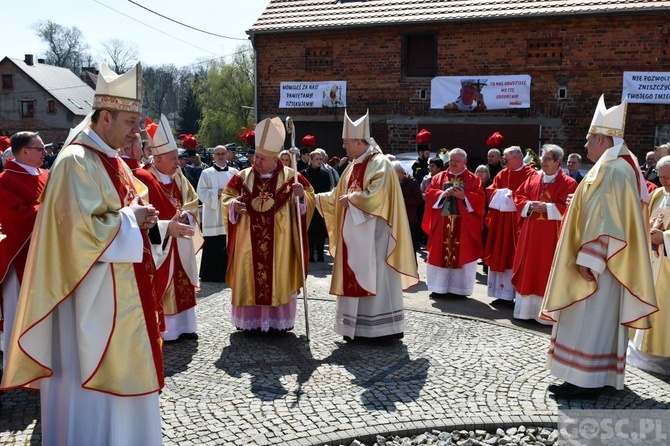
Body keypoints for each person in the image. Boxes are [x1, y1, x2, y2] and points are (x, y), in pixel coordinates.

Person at [0, 62, 183, 445]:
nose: (137, 131)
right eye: (131, 121)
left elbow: (125, 216)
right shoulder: (75, 161)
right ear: (104, 117)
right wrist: (132, 219)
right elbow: (77, 233)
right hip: (91, 300)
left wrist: (160, 226)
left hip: (121, 292)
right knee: (96, 385)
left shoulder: (112, 160)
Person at [541, 95, 657, 399]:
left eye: (589, 140)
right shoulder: (614, 165)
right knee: (595, 320)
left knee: (587, 319)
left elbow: (605, 219)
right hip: (606, 262)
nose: (585, 146)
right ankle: (597, 376)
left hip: (599, 264)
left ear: (605, 140)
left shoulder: (612, 170)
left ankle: (583, 380)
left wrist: (589, 259)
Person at [315, 110, 418, 341]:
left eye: (346, 142)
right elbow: (336, 195)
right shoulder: (352, 167)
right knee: (356, 273)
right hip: (354, 236)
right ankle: (355, 327)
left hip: (376, 237)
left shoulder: (380, 164)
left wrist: (352, 200)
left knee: (378, 277)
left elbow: (376, 196)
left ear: (360, 142)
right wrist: (312, 197)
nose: (344, 147)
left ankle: (382, 329)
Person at [222, 117, 315, 332]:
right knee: (251, 275)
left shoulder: (292, 177)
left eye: (262, 158)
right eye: (256, 157)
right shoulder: (242, 177)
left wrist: (301, 198)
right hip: (248, 244)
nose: (256, 162)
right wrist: (233, 206)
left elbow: (309, 199)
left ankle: (277, 322)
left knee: (277, 276)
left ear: (275, 159)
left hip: (280, 244)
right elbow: (227, 198)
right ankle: (250, 323)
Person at [134, 114, 203, 342]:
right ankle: (167, 330)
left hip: (181, 239)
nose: (177, 162)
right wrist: (167, 225)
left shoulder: (180, 177)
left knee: (183, 279)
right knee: (164, 281)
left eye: (177, 158)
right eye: (173, 158)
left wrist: (187, 215)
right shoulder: (144, 177)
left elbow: (192, 200)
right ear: (158, 158)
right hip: (160, 242)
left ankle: (186, 326)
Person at [511, 145, 577, 324]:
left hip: (551, 237)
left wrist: (548, 208)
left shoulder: (568, 183)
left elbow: (572, 209)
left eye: (548, 159)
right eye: (543, 158)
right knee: (528, 268)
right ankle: (524, 312)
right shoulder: (533, 178)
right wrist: (529, 205)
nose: (543, 162)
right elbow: (519, 196)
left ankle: (546, 317)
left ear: (558, 162)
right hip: (530, 234)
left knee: (546, 270)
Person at [0, 131, 49, 369]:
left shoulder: (47, 175)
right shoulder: (5, 180)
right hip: (21, 256)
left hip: (49, 253)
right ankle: (18, 364)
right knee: (19, 310)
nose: (45, 153)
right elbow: (13, 216)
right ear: (25, 151)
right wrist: (48, 210)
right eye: (40, 149)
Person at [627, 155, 670, 374]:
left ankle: (661, 357)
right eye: (662, 177)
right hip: (651, 262)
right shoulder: (657, 195)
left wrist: (665, 238)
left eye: (669, 177)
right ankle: (642, 350)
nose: (665, 182)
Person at [422, 149, 485, 298]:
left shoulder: (473, 179)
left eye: (457, 161)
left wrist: (465, 196)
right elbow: (430, 193)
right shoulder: (439, 177)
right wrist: (442, 194)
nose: (453, 164)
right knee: (439, 253)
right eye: (451, 161)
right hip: (443, 223)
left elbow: (481, 200)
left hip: (464, 225)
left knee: (463, 252)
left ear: (465, 162)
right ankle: (439, 288)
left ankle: (459, 290)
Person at [483, 146, 537, 302]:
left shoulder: (531, 175)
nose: (503, 162)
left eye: (505, 159)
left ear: (517, 159)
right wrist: (501, 193)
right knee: (500, 252)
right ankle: (500, 294)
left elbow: (530, 196)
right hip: (501, 223)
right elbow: (491, 190)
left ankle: (514, 294)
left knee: (514, 255)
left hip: (517, 224)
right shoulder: (502, 173)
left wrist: (512, 195)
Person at [197, 145, 238, 282]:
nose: (220, 156)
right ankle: (209, 274)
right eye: (217, 154)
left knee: (226, 241)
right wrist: (217, 193)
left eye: (223, 153)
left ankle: (228, 273)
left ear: (227, 155)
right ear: (213, 156)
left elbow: (239, 191)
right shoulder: (206, 173)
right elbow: (201, 192)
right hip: (212, 213)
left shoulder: (234, 172)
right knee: (213, 244)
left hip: (228, 213)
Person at [301, 150, 332, 262]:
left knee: (320, 231)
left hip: (320, 204)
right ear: (311, 160)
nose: (319, 161)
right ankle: (309, 255)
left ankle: (320, 254)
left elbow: (328, 188)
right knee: (310, 230)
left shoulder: (325, 174)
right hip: (309, 204)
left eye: (320, 159)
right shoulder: (304, 173)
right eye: (317, 159)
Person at [392, 161, 423, 253]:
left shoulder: (412, 182)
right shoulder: (394, 182)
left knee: (410, 244)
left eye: (394, 173)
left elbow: (418, 200)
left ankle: (413, 266)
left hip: (409, 217)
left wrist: (402, 200)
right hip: (396, 217)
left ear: (400, 172)